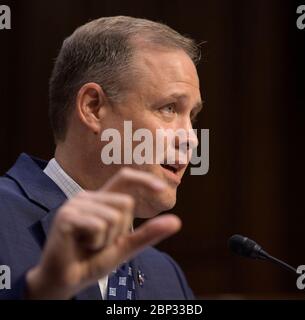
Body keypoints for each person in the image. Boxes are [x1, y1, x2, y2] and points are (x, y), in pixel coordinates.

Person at [0, 16, 203, 300]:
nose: (192, 139)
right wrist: (41, 292)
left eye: (192, 116)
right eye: (169, 108)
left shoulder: (166, 276)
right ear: (93, 107)